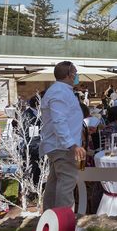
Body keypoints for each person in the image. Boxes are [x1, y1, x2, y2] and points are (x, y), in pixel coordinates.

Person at [40, 61, 86, 210]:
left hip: (60, 146)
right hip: (63, 148)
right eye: (75, 72)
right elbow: (59, 121)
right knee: (66, 186)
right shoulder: (59, 92)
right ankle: (63, 222)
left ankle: (49, 218)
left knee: (54, 185)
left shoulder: (62, 90)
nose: (77, 75)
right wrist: (72, 145)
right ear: (70, 75)